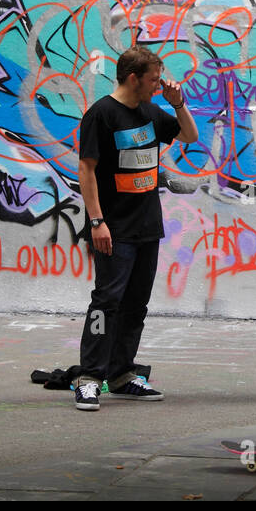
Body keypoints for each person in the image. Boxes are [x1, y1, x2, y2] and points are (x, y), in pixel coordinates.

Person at [74, 45, 199, 411]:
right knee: (106, 301)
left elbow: (189, 136)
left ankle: (123, 373)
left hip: (147, 227)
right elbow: (87, 170)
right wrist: (97, 222)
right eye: (154, 80)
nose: (159, 86)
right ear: (133, 79)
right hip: (114, 228)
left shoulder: (149, 110)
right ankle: (89, 377)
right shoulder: (102, 115)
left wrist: (177, 103)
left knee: (135, 305)